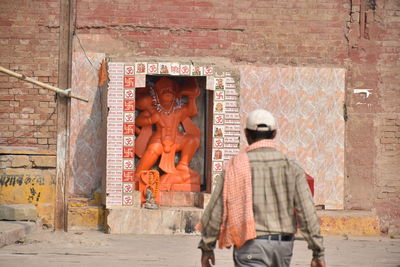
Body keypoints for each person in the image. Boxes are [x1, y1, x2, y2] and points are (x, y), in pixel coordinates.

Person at [198, 109, 326, 267]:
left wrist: (207, 247)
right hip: (283, 248)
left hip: (250, 246)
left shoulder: (235, 166)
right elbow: (307, 212)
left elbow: (216, 211)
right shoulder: (291, 167)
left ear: (247, 134)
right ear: (274, 134)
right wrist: (318, 252)